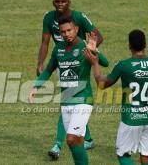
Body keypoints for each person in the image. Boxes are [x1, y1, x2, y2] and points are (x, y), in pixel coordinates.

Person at [84, 29, 148, 165]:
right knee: (147, 155)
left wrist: (95, 63)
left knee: (123, 155)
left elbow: (101, 84)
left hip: (130, 119)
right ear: (145, 45)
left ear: (129, 45)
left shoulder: (123, 65)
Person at [29, 16, 108, 165]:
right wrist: (35, 87)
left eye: (69, 30)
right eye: (63, 31)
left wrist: (94, 50)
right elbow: (48, 70)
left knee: (71, 138)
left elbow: (105, 62)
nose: (66, 34)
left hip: (83, 100)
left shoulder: (85, 45)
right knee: (76, 144)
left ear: (76, 29)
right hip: (66, 102)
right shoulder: (58, 49)